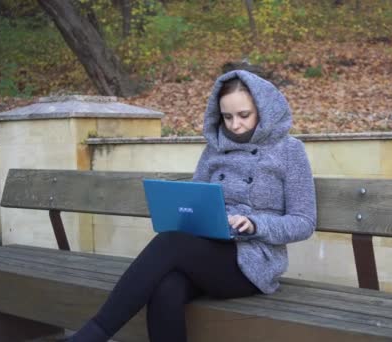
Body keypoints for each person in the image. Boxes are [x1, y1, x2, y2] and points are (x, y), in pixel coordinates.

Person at [64, 70, 317, 342]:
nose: (235, 125)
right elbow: (196, 202)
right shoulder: (214, 150)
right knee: (166, 287)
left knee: (170, 243)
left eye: (244, 115)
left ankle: (93, 335)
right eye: (227, 116)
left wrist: (256, 224)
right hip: (210, 249)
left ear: (264, 109)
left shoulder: (290, 150)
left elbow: (304, 221)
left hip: (252, 262)